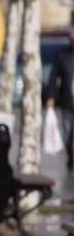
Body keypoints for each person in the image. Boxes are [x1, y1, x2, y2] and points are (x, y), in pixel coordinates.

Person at [46, 29, 74, 170]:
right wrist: (50, 96)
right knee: (68, 133)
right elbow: (53, 77)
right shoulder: (63, 56)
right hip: (67, 102)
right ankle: (71, 157)